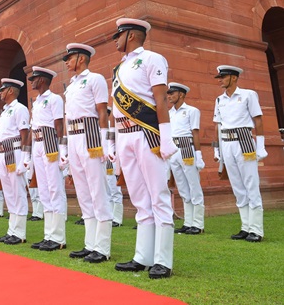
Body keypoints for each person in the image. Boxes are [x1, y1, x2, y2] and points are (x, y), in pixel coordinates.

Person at [110, 18, 178, 279]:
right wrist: (115, 144)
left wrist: (166, 136)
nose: (115, 41)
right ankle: (142, 257)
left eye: (118, 35)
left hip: (147, 134)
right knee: (139, 200)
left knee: (158, 196)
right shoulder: (118, 68)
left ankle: (163, 260)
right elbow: (116, 110)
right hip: (125, 135)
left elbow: (160, 99)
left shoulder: (152, 58)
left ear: (130, 35)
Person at [62, 43, 113, 263]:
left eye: (70, 58)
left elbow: (102, 112)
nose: (67, 62)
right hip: (74, 137)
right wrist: (65, 147)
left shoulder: (95, 79)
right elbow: (68, 118)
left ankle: (102, 247)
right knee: (83, 193)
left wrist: (105, 142)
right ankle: (90, 244)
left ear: (81, 58)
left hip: (91, 135)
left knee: (97, 191)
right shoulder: (71, 86)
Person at [212, 65, 267, 242]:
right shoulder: (219, 100)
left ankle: (256, 230)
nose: (220, 80)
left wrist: (261, 146)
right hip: (226, 143)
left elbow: (258, 120)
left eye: (223, 77)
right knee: (237, 187)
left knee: (251, 184)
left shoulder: (248, 95)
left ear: (234, 77)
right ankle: (245, 227)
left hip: (244, 140)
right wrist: (216, 149)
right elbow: (217, 126)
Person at [26, 66, 67, 252]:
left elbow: (59, 125)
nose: (32, 82)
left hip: (50, 141)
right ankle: (48, 235)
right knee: (43, 189)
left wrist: (62, 148)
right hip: (38, 142)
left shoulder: (54, 98)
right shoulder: (37, 101)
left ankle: (58, 237)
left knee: (54, 188)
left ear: (42, 80)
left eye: (34, 79)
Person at [0, 78, 31, 245]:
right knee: (9, 194)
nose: (0, 93)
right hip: (3, 152)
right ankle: (12, 230)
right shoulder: (4, 111)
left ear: (10, 91)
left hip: (15, 152)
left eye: (3, 90)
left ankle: (19, 232)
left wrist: (24, 158)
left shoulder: (19, 108)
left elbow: (25, 134)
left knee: (18, 192)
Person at [166, 82, 206, 235]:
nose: (169, 96)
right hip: (174, 150)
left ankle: (198, 223)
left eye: (172, 93)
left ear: (181, 94)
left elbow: (195, 133)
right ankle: (188, 222)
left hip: (187, 148)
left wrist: (199, 155)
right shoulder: (169, 113)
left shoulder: (192, 111)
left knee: (194, 187)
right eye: (168, 94)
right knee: (183, 188)